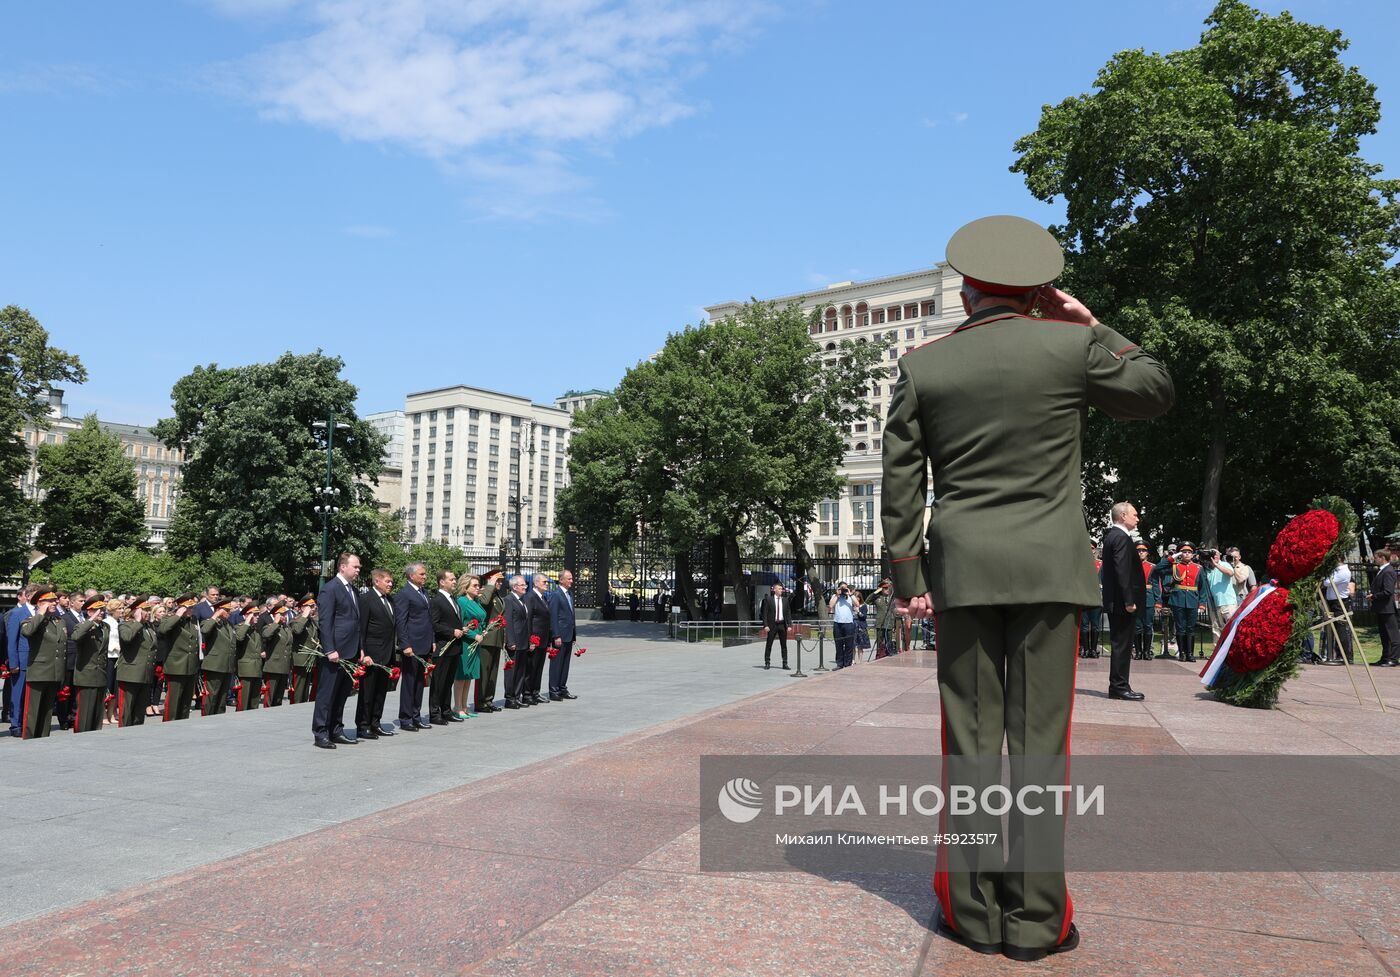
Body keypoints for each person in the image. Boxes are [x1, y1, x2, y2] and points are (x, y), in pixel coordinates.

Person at [881, 215, 1173, 961]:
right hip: (1049, 571)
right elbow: (1153, 390)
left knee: (971, 746)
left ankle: (973, 912)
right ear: (1039, 289)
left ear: (968, 288)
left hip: (964, 571)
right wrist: (1091, 321)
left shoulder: (924, 366)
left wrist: (907, 577)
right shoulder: (1071, 346)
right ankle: (1039, 917)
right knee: (1041, 746)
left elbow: (902, 484)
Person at [314, 552, 366, 748]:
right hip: (335, 651)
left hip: (350, 650)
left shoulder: (353, 590)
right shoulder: (330, 589)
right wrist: (329, 649)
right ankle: (321, 732)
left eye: (359, 567)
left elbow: (356, 622)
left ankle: (335, 729)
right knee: (327, 694)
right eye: (356, 567)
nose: (358, 570)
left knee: (342, 693)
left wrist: (360, 648)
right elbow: (325, 622)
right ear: (342, 567)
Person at [1099, 503, 1146, 700]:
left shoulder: (1114, 536)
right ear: (1123, 515)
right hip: (1122, 602)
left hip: (1118, 601)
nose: (1137, 518)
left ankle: (1119, 685)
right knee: (1122, 645)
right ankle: (1119, 686)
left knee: (1122, 644)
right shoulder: (1120, 537)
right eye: (1135, 515)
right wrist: (1129, 600)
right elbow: (1122, 570)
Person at [19, 591, 68, 739]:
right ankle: (29, 739)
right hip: (38, 672)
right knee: (33, 711)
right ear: (39, 603)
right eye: (49, 601)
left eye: (54, 601)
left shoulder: (59, 621)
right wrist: (39, 614)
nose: (54, 603)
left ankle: (43, 739)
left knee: (47, 711)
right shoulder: (31, 620)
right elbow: (27, 632)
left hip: (54, 672)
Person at [393, 561, 435, 731]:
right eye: (422, 574)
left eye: (425, 574)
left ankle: (416, 715)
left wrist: (432, 639)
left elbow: (428, 619)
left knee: (420, 682)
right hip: (411, 645)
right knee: (409, 682)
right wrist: (405, 644)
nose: (425, 577)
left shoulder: (424, 593)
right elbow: (401, 621)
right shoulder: (404, 594)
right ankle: (406, 718)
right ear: (412, 575)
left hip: (424, 643)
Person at [356, 570, 398, 737]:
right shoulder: (366, 600)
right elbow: (362, 628)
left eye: (391, 581)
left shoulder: (390, 600)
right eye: (387, 581)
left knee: (381, 691)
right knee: (367, 692)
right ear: (377, 581)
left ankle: (375, 722)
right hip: (371, 655)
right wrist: (363, 652)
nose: (390, 584)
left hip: (386, 654)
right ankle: (363, 725)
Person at [1157, 544, 1208, 663]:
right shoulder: (1175, 566)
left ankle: (1190, 653)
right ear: (1180, 554)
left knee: (1190, 628)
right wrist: (1171, 558)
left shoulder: (1198, 568)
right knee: (1180, 628)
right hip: (1177, 600)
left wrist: (1202, 604)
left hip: (1192, 600)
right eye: (1183, 552)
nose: (1186, 554)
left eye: (1189, 552)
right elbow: (1159, 568)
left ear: (1193, 554)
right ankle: (1182, 653)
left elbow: (1202, 587)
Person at [427, 569, 465, 725]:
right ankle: (435, 713)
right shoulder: (436, 600)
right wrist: (451, 631)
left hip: (454, 647)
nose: (455, 581)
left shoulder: (453, 599)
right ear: (442, 582)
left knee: (448, 681)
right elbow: (434, 624)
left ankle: (446, 710)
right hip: (443, 647)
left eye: (455, 579)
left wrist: (462, 629)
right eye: (451, 579)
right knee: (439, 682)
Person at [70, 596, 111, 733]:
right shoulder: (83, 626)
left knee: (97, 713)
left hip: (100, 673)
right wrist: (91, 620)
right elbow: (75, 637)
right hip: (86, 674)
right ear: (89, 612)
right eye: (97, 610)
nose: (101, 613)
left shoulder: (106, 627)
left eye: (102, 610)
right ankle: (81, 736)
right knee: (85, 713)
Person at [116, 597, 159, 726]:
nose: (148, 612)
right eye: (144, 610)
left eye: (148, 609)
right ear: (135, 611)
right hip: (130, 674)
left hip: (145, 674)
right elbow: (127, 638)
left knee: (139, 711)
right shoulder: (125, 624)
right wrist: (138, 620)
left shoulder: (149, 627)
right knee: (127, 710)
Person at [158, 593, 200, 721]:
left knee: (186, 701)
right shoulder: (169, 618)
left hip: (190, 665)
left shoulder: (192, 620)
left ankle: (183, 723)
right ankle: (169, 724)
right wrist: (178, 615)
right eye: (188, 607)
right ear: (181, 607)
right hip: (176, 665)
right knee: (173, 702)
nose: (191, 610)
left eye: (192, 608)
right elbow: (163, 629)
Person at [5, 584, 36, 737]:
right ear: (28, 596)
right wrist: (13, 663)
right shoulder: (17, 613)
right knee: (17, 694)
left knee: (31, 694)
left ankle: (28, 722)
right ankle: (15, 724)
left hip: (37, 661)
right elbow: (12, 641)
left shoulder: (40, 613)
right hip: (21, 660)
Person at [198, 597, 238, 716]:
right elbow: (204, 630)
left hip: (227, 664)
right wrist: (215, 616)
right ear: (219, 610)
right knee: (212, 695)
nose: (230, 612)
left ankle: (220, 717)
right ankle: (207, 717)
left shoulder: (229, 624)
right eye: (227, 610)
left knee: (223, 695)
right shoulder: (209, 621)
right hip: (214, 665)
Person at [475, 568, 507, 713]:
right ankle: (480, 702)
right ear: (489, 580)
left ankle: (488, 700)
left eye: (501, 580)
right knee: (484, 672)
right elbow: (483, 603)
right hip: (487, 638)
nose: (500, 583)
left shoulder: (497, 595)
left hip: (496, 639)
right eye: (497, 580)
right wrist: (489, 585)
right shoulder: (484, 592)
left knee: (493, 672)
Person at [454, 574, 485, 718]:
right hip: (466, 643)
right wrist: (474, 635)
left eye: (478, 585)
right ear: (465, 587)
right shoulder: (461, 601)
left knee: (469, 676)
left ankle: (465, 706)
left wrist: (484, 630)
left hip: (476, 643)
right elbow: (460, 623)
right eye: (475, 585)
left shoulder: (476, 601)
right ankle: (457, 707)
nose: (478, 588)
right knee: (461, 676)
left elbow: (481, 618)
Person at [547, 569, 579, 700]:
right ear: (561, 580)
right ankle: (554, 690)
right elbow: (553, 616)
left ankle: (562, 688)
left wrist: (573, 635)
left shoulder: (569, 594)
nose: (571, 581)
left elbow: (571, 615)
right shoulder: (556, 595)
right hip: (559, 636)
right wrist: (556, 635)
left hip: (568, 634)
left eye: (571, 578)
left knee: (565, 663)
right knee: (557, 664)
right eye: (569, 579)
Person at [503, 574, 531, 709]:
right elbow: (508, 621)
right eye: (522, 585)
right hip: (515, 641)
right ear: (514, 587)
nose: (525, 587)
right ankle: (510, 698)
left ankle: (517, 696)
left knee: (521, 670)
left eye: (525, 585)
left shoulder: (522, 600)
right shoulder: (509, 600)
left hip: (523, 640)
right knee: (512, 671)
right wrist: (510, 641)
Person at [1320, 556, 1355, 664]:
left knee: (1341, 630)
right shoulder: (1335, 570)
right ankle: (1336, 655)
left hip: (1339, 602)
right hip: (1333, 602)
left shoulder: (1344, 571)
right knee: (1334, 629)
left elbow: (1327, 582)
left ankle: (1344, 656)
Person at [525, 574, 553, 705]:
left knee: (539, 667)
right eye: (544, 582)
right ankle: (527, 694)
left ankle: (535, 692)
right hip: (535, 639)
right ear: (536, 583)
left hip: (543, 639)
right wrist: (530, 639)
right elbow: (529, 619)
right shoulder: (530, 597)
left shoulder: (543, 598)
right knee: (531, 667)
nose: (546, 584)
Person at [259, 602, 295, 706]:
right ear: (275, 614)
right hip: (273, 666)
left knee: (279, 696)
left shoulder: (286, 628)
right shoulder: (270, 627)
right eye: (282, 614)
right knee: (270, 696)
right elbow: (266, 635)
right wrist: (275, 622)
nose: (284, 616)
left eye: (285, 614)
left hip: (284, 666)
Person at [232, 604, 266, 711]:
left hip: (256, 668)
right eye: (254, 615)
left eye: (257, 615)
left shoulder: (255, 630)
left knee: (254, 700)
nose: (257, 617)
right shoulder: (240, 627)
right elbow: (239, 638)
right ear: (247, 615)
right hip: (245, 670)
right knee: (243, 701)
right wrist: (247, 622)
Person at [1202, 549, 1239, 643]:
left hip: (1228, 602)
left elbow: (1230, 573)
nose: (1215, 556)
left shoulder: (1225, 564)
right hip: (1214, 604)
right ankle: (1217, 653)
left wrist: (1217, 565)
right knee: (1216, 629)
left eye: (1216, 553)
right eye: (1212, 554)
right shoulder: (1206, 569)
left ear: (1220, 555)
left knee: (1232, 627)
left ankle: (1232, 650)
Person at [289, 596, 320, 704]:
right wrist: (304, 616)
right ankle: (295, 707)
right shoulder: (296, 620)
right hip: (300, 659)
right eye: (310, 606)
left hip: (309, 659)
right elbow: (297, 631)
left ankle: (301, 705)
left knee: (305, 687)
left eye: (314, 606)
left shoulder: (312, 621)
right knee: (298, 688)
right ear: (302, 608)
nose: (314, 608)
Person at [1370, 549, 1398, 667]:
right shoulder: (1382, 571)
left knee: (1392, 635)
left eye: (1376, 557)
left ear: (1382, 557)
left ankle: (1393, 658)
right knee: (1384, 634)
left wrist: (1374, 596)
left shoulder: (1388, 571)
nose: (1374, 559)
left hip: (1387, 608)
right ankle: (1385, 657)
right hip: (1381, 608)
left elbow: (1388, 591)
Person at [760, 582, 793, 670]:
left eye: (781, 589)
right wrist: (765, 625)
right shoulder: (769, 600)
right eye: (779, 589)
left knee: (784, 645)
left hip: (782, 624)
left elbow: (788, 613)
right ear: (774, 589)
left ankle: (785, 663)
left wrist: (789, 624)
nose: (781, 590)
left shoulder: (785, 600)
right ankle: (767, 662)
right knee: (769, 644)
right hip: (772, 625)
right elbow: (765, 614)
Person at [1133, 542, 1157, 661]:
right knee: (1137, 627)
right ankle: (1138, 652)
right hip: (1135, 598)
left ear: (1147, 553)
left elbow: (1156, 585)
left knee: (1148, 626)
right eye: (1138, 550)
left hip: (1148, 599)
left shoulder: (1152, 567)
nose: (1141, 552)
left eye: (1143, 550)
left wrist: (1158, 602)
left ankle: (1146, 652)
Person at [828, 583, 859, 669]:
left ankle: (847, 664)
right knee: (838, 644)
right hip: (838, 623)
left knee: (849, 644)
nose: (843, 590)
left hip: (848, 623)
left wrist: (851, 594)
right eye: (842, 588)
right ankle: (839, 664)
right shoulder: (835, 596)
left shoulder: (850, 596)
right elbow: (831, 605)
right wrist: (837, 595)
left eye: (845, 588)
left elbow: (857, 604)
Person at [869, 579, 897, 659]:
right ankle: (878, 654)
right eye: (885, 588)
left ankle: (889, 652)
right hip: (880, 622)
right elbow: (867, 601)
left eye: (888, 588)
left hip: (889, 621)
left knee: (889, 639)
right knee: (879, 640)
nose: (887, 590)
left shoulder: (892, 598)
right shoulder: (877, 597)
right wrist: (876, 591)